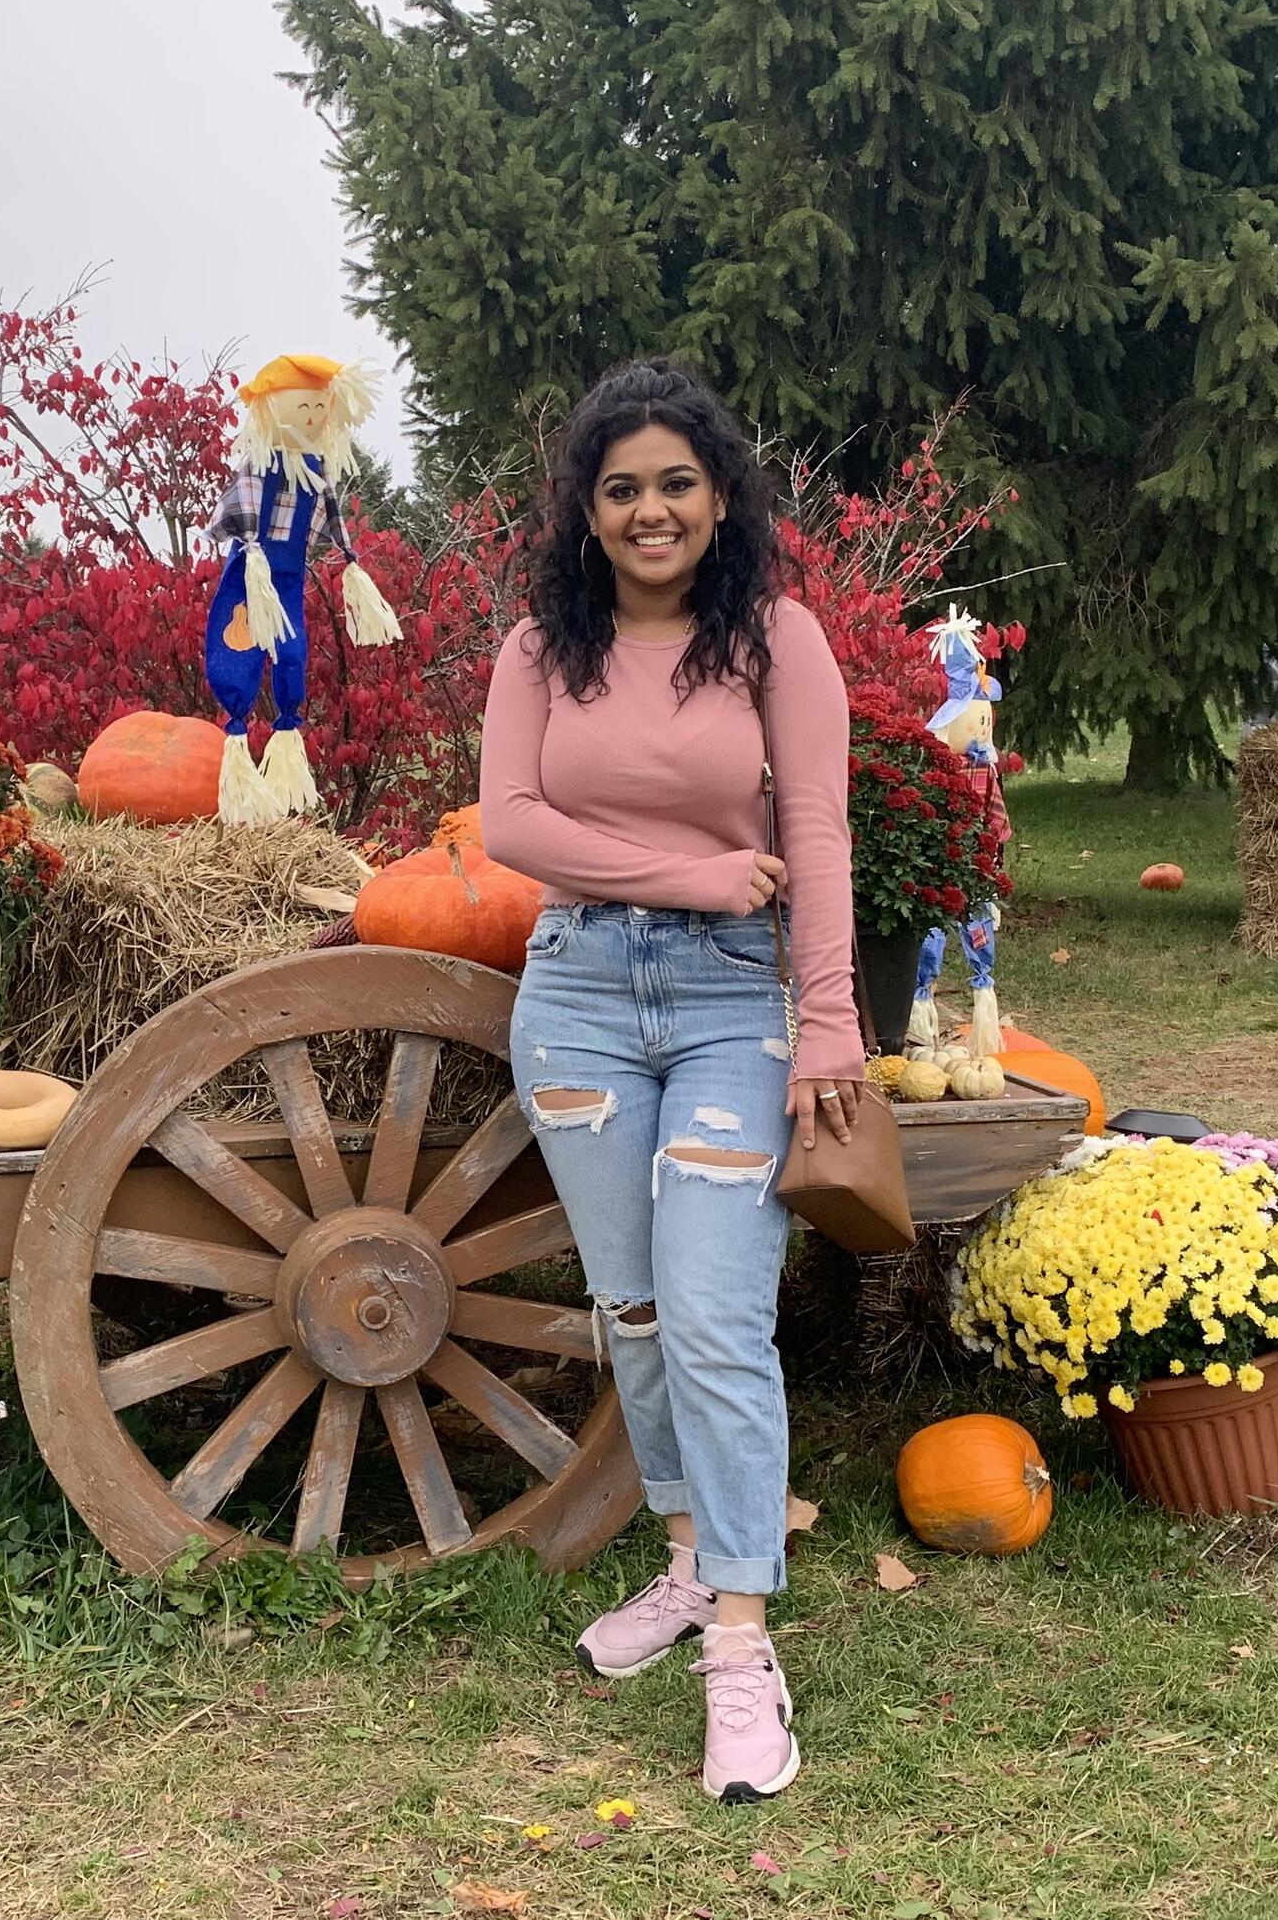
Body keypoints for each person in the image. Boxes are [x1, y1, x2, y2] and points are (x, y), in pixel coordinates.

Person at [478, 359, 864, 1805]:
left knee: (711, 1309)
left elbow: (816, 834)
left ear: (720, 496)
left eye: (676, 483)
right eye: (622, 486)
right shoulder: (539, 652)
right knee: (632, 1308)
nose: (651, 509)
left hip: (728, 1007)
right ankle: (692, 1557)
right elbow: (512, 823)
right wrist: (690, 869)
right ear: (588, 507)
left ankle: (743, 1647)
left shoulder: (774, 638)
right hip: (575, 1001)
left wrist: (827, 1020)